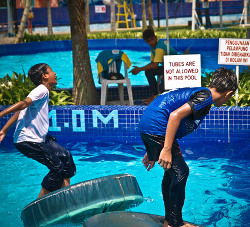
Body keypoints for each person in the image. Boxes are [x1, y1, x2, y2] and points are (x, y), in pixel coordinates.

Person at [139, 67, 237, 227]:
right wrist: (165, 149)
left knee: (172, 174)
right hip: (157, 127)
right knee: (180, 173)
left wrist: (152, 148)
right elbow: (174, 115)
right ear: (228, 93)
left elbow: (172, 121)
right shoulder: (206, 97)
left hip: (152, 127)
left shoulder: (202, 96)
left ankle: (169, 220)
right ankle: (174, 223)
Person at [0, 63, 76, 198]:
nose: (55, 74)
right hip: (27, 140)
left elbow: (22, 110)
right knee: (57, 167)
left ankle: (65, 197)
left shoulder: (42, 92)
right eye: (52, 71)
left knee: (66, 156)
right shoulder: (41, 90)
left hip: (38, 138)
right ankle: (39, 204)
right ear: (44, 76)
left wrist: (4, 130)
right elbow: (23, 104)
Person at [130, 28, 177, 105]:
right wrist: (140, 69)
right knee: (148, 71)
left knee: (161, 85)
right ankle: (154, 96)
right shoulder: (153, 47)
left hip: (174, 68)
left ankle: (156, 97)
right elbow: (152, 64)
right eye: (148, 41)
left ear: (155, 37)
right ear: (146, 41)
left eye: (152, 39)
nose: (151, 42)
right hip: (167, 67)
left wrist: (139, 69)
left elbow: (155, 65)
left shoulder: (159, 47)